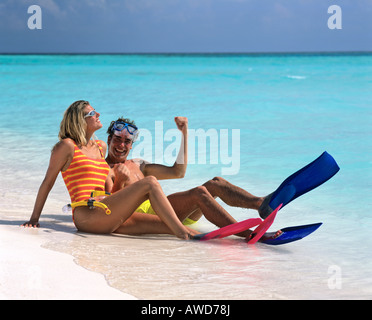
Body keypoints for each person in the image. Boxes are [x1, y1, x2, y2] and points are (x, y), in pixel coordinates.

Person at [22, 100, 202, 240]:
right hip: (86, 214)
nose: (98, 114)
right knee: (150, 183)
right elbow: (48, 182)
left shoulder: (100, 147)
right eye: (91, 113)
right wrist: (34, 218)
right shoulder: (67, 146)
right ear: (79, 120)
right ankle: (184, 236)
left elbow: (107, 188)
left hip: (106, 208)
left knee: (166, 225)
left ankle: (210, 239)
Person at [105, 117, 273, 233]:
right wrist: (120, 180)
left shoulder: (138, 164)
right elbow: (108, 210)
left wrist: (184, 133)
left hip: (172, 210)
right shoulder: (104, 169)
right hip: (153, 218)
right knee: (199, 193)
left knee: (216, 183)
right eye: (117, 139)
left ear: (132, 145)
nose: (121, 145)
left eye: (127, 141)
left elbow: (178, 172)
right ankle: (247, 233)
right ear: (108, 140)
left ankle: (261, 204)